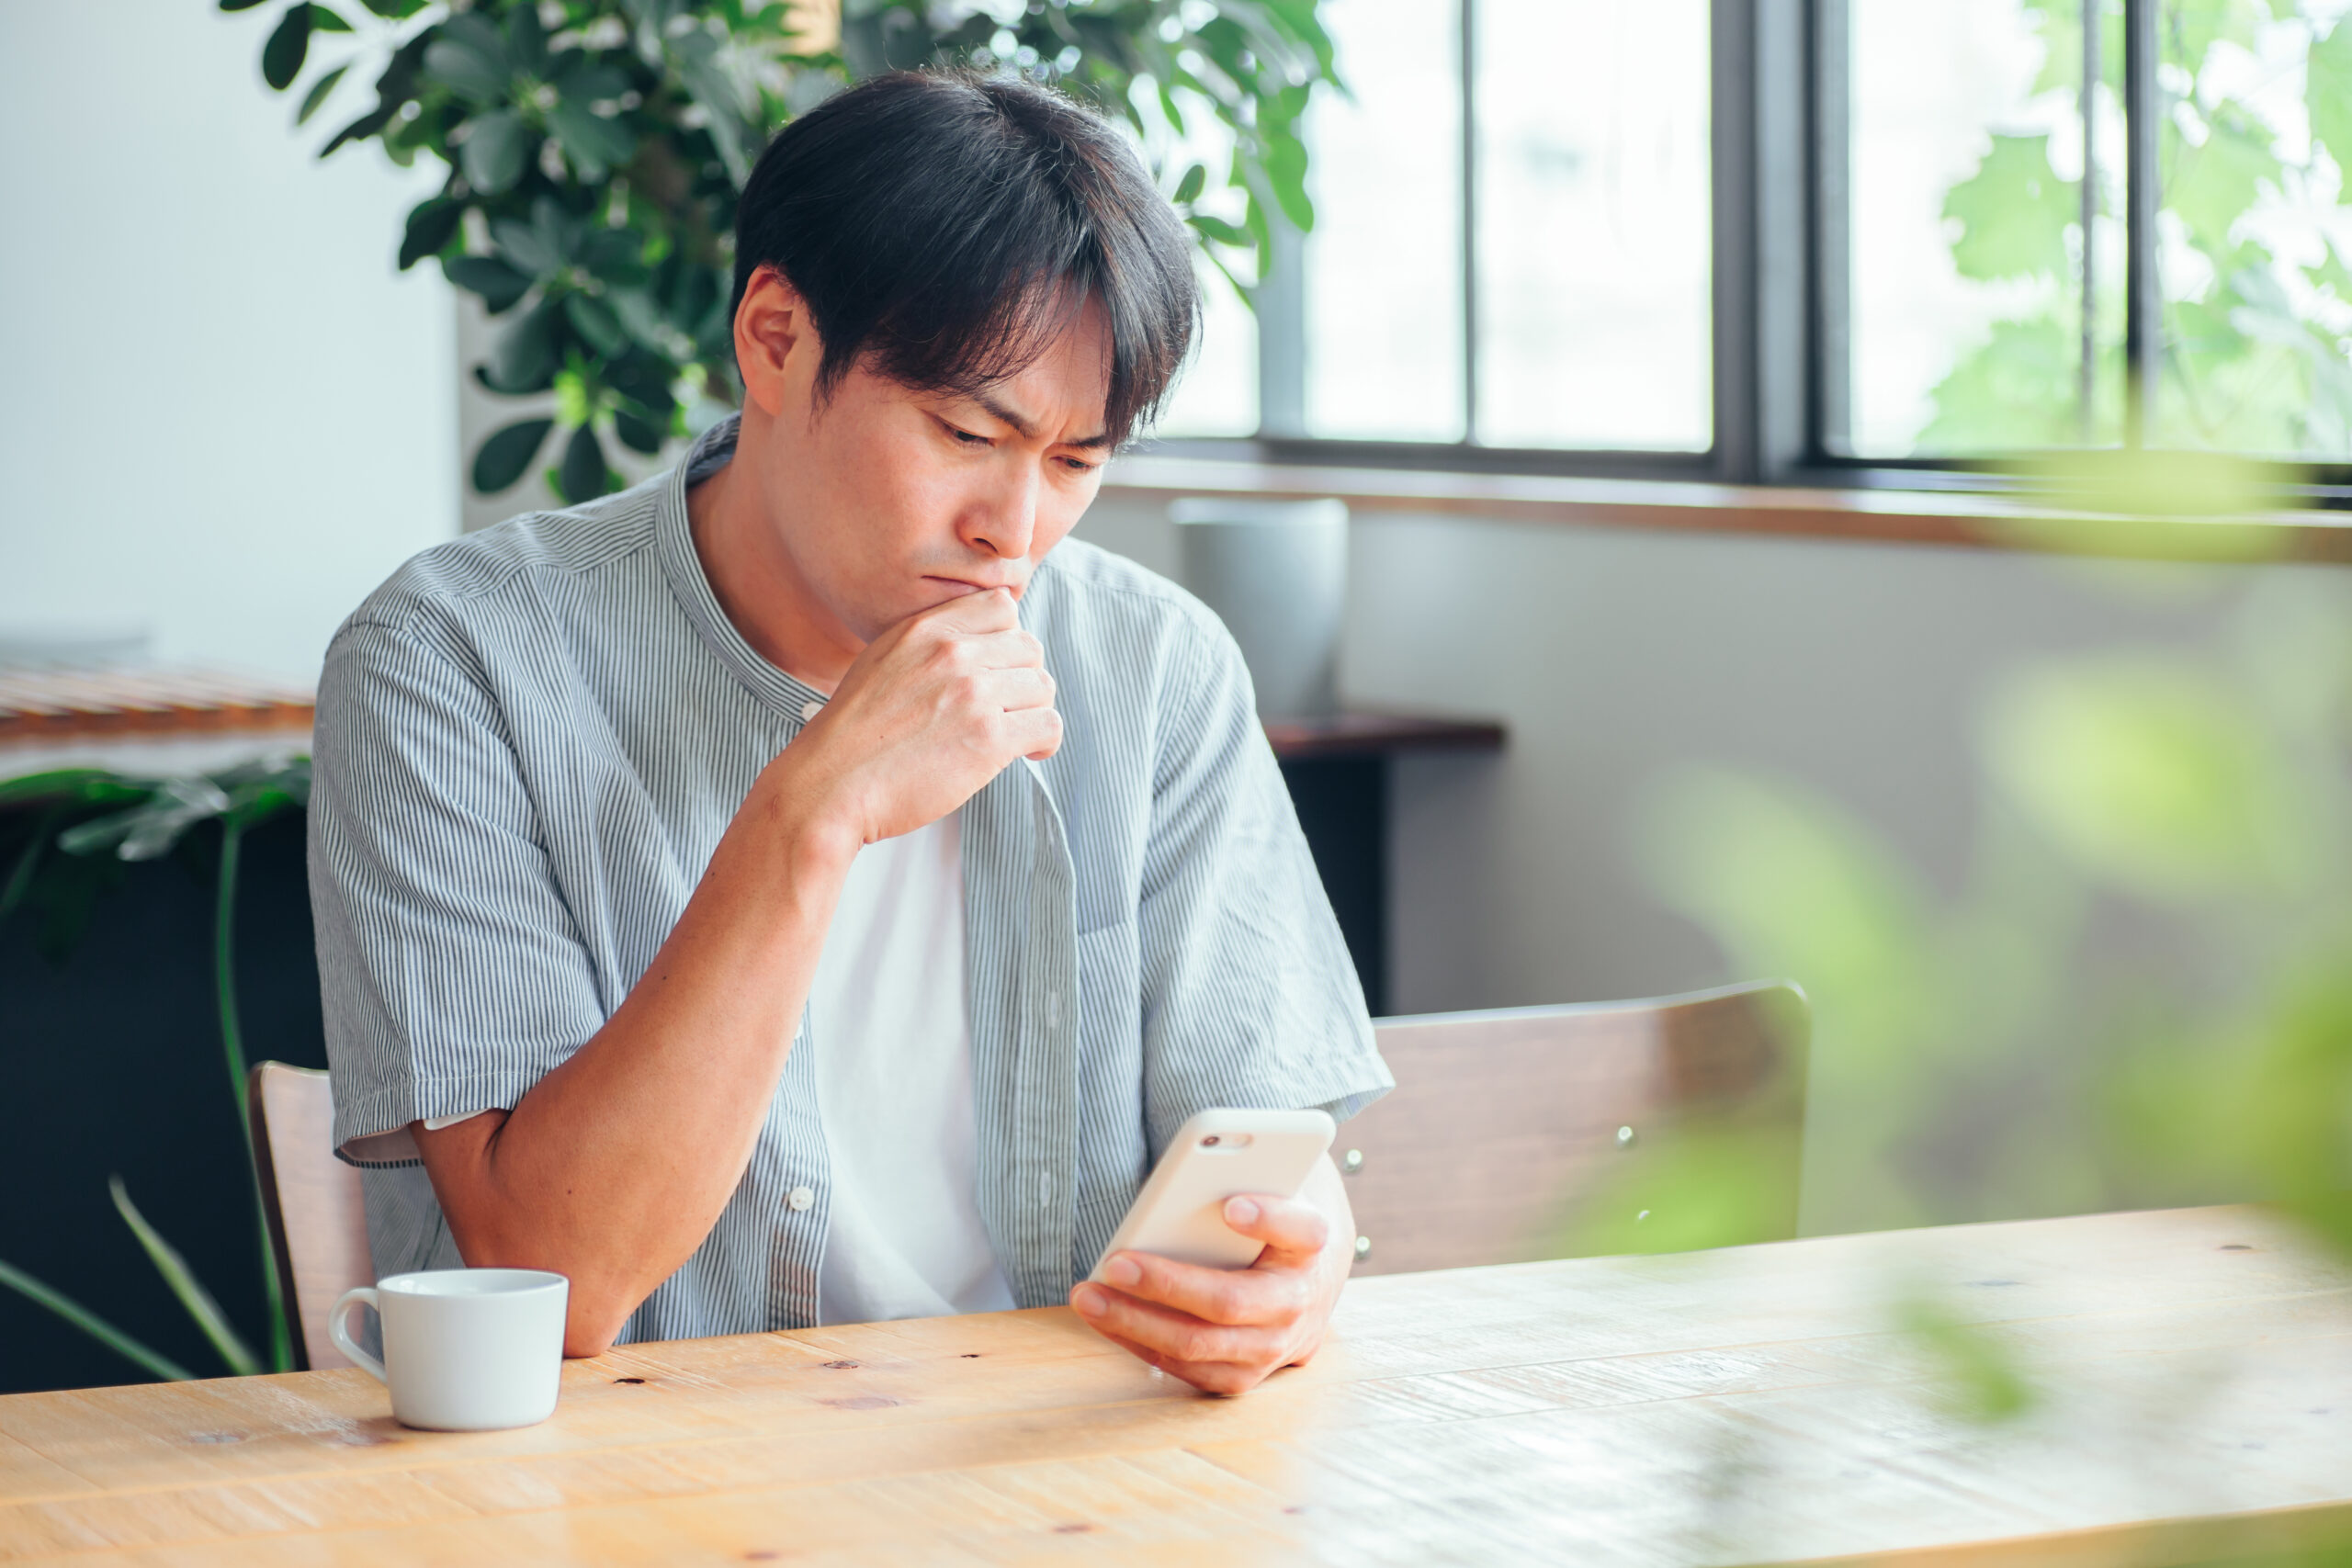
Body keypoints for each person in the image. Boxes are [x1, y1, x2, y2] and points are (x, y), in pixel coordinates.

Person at [309, 68, 1390, 1397]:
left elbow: (1268, 1145)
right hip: (639, 1500)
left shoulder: (1151, 667)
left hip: (1063, 1482)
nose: (1018, 528)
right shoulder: (452, 662)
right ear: (774, 340)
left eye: (1075, 462)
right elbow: (559, 1277)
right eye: (964, 432)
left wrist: (1301, 1263)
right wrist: (811, 816)